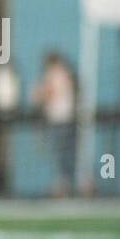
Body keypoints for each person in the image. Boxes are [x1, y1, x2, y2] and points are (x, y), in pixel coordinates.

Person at [32, 50, 77, 197]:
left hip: (60, 120)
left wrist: (38, 94)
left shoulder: (56, 74)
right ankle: (65, 184)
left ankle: (64, 186)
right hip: (64, 119)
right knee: (64, 154)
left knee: (61, 155)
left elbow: (47, 94)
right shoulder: (66, 73)